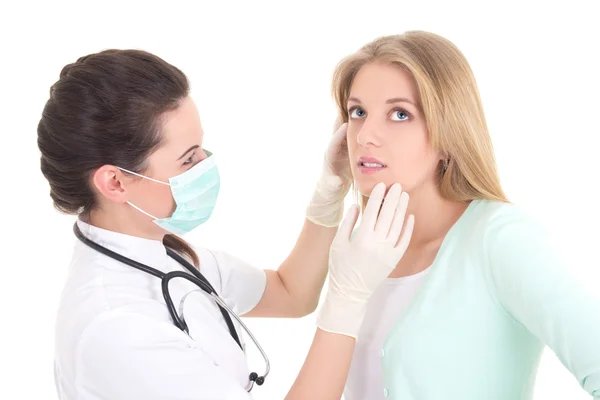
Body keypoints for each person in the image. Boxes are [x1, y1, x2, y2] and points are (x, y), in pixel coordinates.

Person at [37, 48, 415, 400]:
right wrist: (347, 300)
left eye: (201, 146)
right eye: (187, 160)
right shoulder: (118, 328)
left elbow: (290, 293)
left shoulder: (162, 252)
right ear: (115, 182)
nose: (206, 164)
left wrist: (329, 193)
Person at [328, 30, 600, 400]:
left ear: (448, 134)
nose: (365, 136)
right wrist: (326, 196)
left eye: (399, 113)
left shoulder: (501, 239)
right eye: (358, 112)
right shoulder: (362, 253)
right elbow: (292, 292)